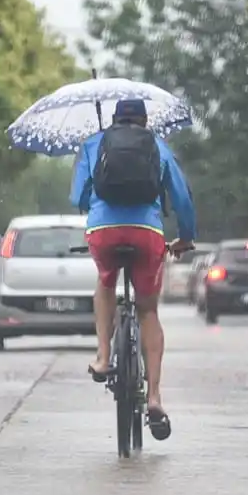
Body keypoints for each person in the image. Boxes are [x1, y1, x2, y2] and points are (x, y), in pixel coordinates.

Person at [69, 98, 197, 441]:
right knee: (148, 310)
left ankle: (103, 357)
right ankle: (154, 397)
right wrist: (185, 237)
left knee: (105, 284)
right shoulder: (158, 146)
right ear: (144, 120)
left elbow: (77, 198)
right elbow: (182, 198)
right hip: (147, 233)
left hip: (104, 232)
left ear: (113, 120)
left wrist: (95, 199)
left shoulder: (95, 144)